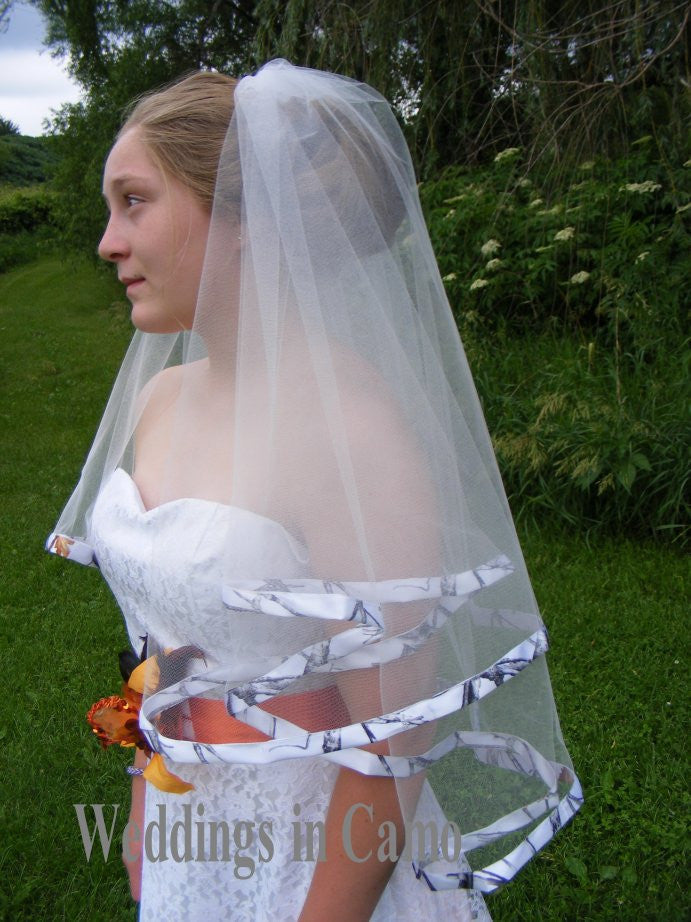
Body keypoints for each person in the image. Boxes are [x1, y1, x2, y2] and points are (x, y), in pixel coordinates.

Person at [48, 60, 582, 921]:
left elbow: (392, 738)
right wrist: (150, 810)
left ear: (246, 216)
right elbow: (163, 656)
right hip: (192, 831)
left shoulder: (347, 434)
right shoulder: (159, 400)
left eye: (134, 201)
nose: (108, 240)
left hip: (320, 863)